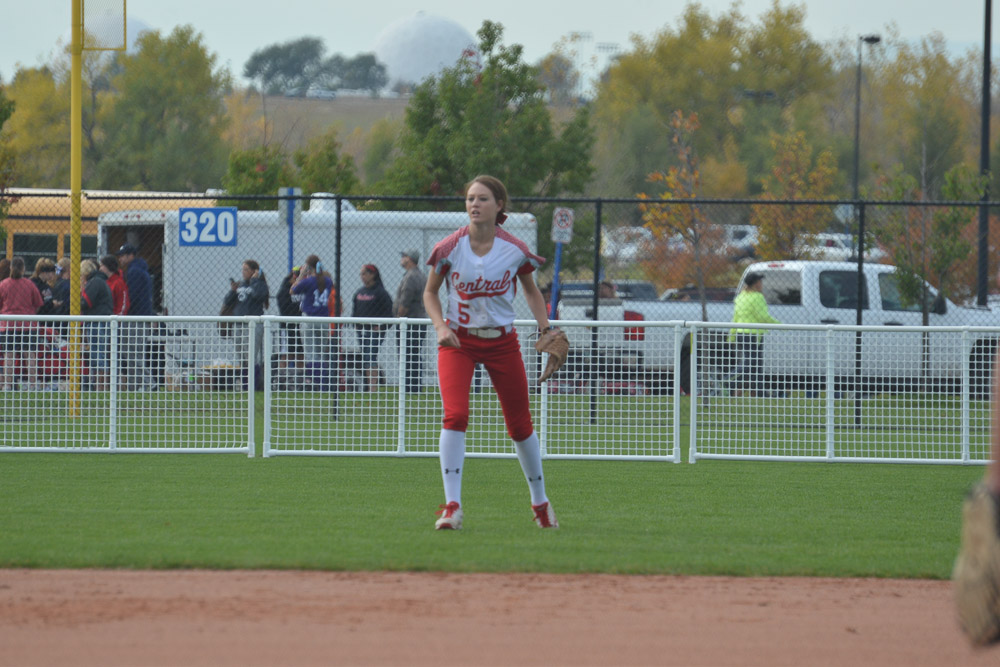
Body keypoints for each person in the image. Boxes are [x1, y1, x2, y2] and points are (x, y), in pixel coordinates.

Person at [423, 174, 558, 530]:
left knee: (520, 425)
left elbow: (530, 290)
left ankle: (540, 503)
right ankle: (452, 506)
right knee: (455, 415)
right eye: (470, 198)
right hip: (459, 341)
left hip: (502, 342)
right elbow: (430, 292)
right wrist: (440, 327)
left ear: (499, 205)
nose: (474, 204)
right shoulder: (450, 247)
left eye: (482, 198)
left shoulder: (513, 248)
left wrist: (545, 327)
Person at [729, 272, 780, 397]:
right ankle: (730, 379)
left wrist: (732, 335)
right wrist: (779, 325)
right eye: (760, 281)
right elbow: (762, 316)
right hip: (753, 334)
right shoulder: (758, 297)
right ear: (756, 284)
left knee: (752, 362)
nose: (761, 284)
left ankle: (758, 390)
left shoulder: (741, 297)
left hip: (741, 333)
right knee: (753, 362)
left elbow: (736, 317)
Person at [222, 259, 269, 390]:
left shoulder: (259, 284)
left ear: (254, 271)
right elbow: (227, 301)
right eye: (242, 269)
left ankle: (253, 385)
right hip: (239, 323)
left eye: (246, 270)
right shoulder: (240, 285)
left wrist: (254, 280)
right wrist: (232, 291)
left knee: (251, 355)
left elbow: (258, 295)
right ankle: (245, 384)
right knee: (241, 354)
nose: (243, 272)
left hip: (253, 323)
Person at [291, 254, 335, 390]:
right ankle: (323, 385)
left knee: (310, 353)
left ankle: (315, 382)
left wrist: (301, 275)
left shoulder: (308, 281)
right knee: (321, 353)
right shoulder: (328, 281)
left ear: (309, 267)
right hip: (323, 320)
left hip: (309, 318)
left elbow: (292, 290)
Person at [0, 257, 44, 391]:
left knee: (9, 355)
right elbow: (38, 303)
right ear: (23, 269)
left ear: (11, 268)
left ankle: (8, 385)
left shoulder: (4, 284)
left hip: (8, 324)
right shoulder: (29, 284)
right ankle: (32, 385)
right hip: (27, 324)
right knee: (29, 354)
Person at [117, 243, 153, 390]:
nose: (120, 259)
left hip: (135, 317)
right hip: (141, 317)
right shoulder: (139, 269)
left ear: (131, 256)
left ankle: (148, 382)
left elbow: (132, 296)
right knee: (134, 353)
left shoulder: (134, 272)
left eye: (123, 255)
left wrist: (125, 311)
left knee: (132, 353)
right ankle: (135, 385)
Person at [352, 263, 393, 393]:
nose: (362, 276)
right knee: (365, 357)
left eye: (365, 274)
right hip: (361, 330)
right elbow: (355, 311)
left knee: (371, 356)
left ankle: (372, 389)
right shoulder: (360, 292)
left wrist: (382, 327)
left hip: (374, 331)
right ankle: (368, 386)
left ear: (372, 275)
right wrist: (355, 324)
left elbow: (389, 312)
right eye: (361, 274)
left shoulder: (381, 293)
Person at [395, 249, 427, 393]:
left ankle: (409, 387)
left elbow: (405, 302)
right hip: (417, 322)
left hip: (409, 323)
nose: (402, 259)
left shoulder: (411, 277)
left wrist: (399, 318)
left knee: (407, 355)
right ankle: (414, 387)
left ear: (410, 259)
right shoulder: (420, 275)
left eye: (404, 256)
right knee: (413, 354)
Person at [80, 259, 113, 390]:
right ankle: (99, 387)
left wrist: (78, 296)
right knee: (98, 355)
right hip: (99, 322)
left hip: (97, 323)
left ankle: (101, 388)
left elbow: (85, 302)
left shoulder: (95, 282)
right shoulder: (99, 281)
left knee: (98, 355)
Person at [275, 265, 305, 389]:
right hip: (287, 326)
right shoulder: (284, 290)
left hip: (298, 326)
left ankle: (300, 381)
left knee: (300, 353)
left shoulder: (302, 289)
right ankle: (280, 380)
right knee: (287, 354)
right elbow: (285, 308)